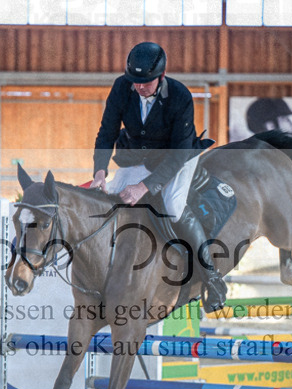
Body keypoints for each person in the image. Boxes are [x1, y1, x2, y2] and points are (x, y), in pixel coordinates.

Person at [91, 41, 227, 311]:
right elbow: (106, 131)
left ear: (161, 76)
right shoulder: (121, 86)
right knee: (108, 203)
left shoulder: (180, 95)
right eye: (135, 81)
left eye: (146, 82)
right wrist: (99, 171)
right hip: (138, 155)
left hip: (176, 156)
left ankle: (211, 277)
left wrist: (144, 187)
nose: (139, 87)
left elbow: (177, 153)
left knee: (174, 206)